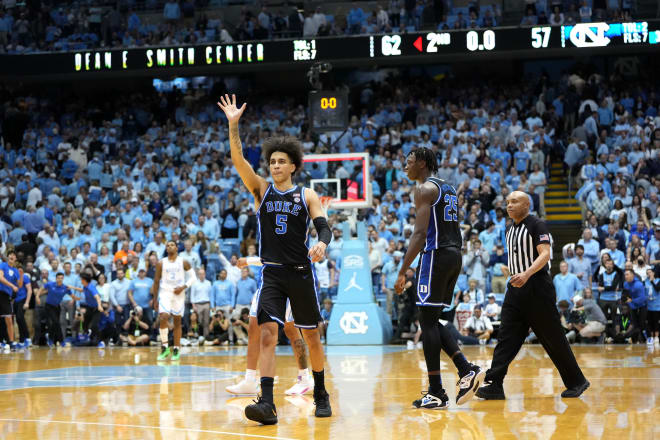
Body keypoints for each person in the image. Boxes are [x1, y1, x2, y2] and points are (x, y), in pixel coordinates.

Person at [218, 94, 331, 423]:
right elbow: (238, 159)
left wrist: (322, 244)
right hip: (271, 275)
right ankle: (266, 403)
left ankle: (321, 392)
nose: (276, 166)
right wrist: (233, 125)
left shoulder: (306, 194)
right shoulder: (261, 190)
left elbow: (323, 228)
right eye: (273, 162)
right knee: (267, 332)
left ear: (294, 165)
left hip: (300, 273)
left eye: (282, 161)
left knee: (311, 335)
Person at [394, 147, 484, 410]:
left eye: (409, 162)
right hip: (454, 255)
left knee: (427, 320)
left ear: (422, 163)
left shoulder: (424, 190)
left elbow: (420, 233)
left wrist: (402, 270)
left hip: (435, 255)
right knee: (430, 319)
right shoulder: (449, 188)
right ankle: (465, 370)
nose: (405, 167)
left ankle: (437, 391)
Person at [477, 191, 589, 400]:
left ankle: (577, 381)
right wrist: (512, 272)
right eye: (507, 202)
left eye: (515, 202)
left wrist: (527, 273)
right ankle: (494, 384)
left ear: (527, 205)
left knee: (552, 337)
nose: (509, 205)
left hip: (537, 287)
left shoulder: (537, 224)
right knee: (506, 337)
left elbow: (545, 254)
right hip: (516, 287)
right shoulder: (510, 229)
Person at [151, 240, 197, 362]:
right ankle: (165, 347)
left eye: (172, 245)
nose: (169, 246)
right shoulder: (161, 263)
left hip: (179, 293)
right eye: (167, 245)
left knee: (177, 321)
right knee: (163, 317)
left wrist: (183, 287)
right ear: (166, 249)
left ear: (177, 248)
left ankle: (176, 348)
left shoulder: (183, 262)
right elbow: (156, 281)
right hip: (165, 292)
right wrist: (155, 299)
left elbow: (193, 277)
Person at [39, 273, 80, 346]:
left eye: (61, 278)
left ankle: (51, 338)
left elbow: (73, 296)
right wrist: (36, 296)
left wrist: (75, 299)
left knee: (56, 323)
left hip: (57, 307)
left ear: (63, 279)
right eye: (58, 278)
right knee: (56, 323)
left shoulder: (65, 287)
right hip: (48, 306)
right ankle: (61, 341)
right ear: (56, 278)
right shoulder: (50, 284)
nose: (60, 279)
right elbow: (41, 289)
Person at [67, 272, 104, 347]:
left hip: (96, 309)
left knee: (94, 325)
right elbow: (81, 290)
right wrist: (71, 287)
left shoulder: (91, 287)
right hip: (89, 308)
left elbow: (97, 297)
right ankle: (88, 339)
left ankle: (100, 342)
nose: (80, 280)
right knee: (85, 324)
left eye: (81, 279)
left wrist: (100, 306)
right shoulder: (85, 286)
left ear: (84, 280)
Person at [0, 251, 21, 351]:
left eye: (14, 255)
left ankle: (11, 342)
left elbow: (19, 285)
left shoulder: (16, 271)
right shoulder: (3, 265)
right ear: (8, 257)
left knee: (9, 319)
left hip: (6, 296)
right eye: (10, 255)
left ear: (15, 259)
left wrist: (21, 275)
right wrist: (12, 285)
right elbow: (0, 278)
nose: (12, 256)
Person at [622, 268, 647, 343]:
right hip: (632, 307)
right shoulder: (625, 284)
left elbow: (642, 298)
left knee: (642, 325)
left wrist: (632, 300)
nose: (625, 276)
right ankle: (635, 340)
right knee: (634, 325)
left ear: (632, 275)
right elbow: (626, 295)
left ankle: (643, 340)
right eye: (625, 275)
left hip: (641, 306)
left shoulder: (638, 285)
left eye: (627, 274)